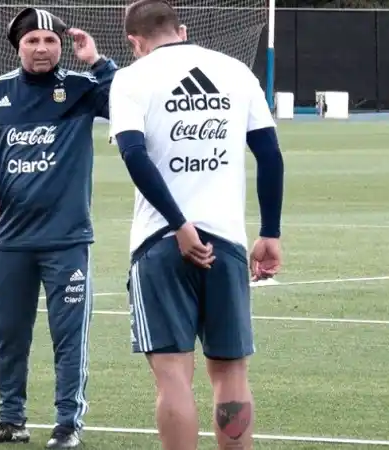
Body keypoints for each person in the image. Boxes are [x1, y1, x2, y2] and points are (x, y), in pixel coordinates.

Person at [108, 1, 285, 449]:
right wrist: (270, 232)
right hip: (226, 241)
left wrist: (179, 225)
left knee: (173, 376)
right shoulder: (235, 71)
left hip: (159, 241)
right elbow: (269, 155)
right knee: (231, 371)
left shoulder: (130, 78)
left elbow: (134, 155)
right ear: (182, 30)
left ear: (134, 41)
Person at [0, 7, 117, 449]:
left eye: (50, 41)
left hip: (67, 241)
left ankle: (68, 424)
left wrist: (97, 61)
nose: (42, 48)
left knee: (68, 339)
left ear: (61, 46)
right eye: (32, 41)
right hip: (11, 241)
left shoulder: (81, 88)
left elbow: (126, 103)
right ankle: (11, 420)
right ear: (18, 46)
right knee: (10, 335)